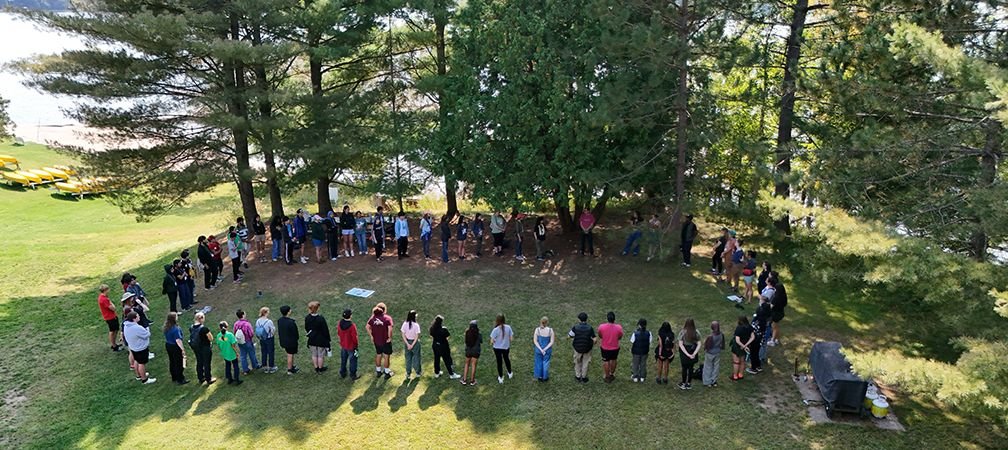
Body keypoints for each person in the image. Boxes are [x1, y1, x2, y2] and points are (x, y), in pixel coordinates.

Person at [123, 311, 156, 384]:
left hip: (133, 347)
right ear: (134, 319)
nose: (139, 317)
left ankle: (138, 375)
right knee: (142, 363)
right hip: (140, 348)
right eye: (138, 316)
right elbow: (147, 335)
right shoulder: (137, 327)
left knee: (136, 361)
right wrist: (147, 328)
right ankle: (144, 379)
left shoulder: (126, 325)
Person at [366, 302, 394, 378]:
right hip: (385, 341)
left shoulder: (373, 318)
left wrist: (371, 336)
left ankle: (378, 371)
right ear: (384, 310)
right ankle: (387, 372)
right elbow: (390, 328)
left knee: (378, 354)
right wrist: (389, 337)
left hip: (376, 341)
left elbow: (367, 326)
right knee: (386, 356)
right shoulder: (387, 318)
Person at [429, 315, 461, 379]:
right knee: (447, 360)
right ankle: (451, 374)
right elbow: (447, 337)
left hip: (435, 346)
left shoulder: (432, 328)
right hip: (443, 347)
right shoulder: (444, 329)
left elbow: (431, 336)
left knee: (436, 359)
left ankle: (437, 373)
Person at [568, 312, 596, 383]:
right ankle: (584, 377)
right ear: (586, 319)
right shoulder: (590, 328)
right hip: (587, 348)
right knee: (585, 363)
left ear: (579, 319)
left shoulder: (575, 327)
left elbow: (569, 336)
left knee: (577, 362)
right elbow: (594, 339)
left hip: (577, 348)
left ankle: (577, 376)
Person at [304, 301, 331, 374]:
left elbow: (306, 328)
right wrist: (328, 340)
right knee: (320, 355)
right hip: (321, 339)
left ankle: (316, 368)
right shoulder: (321, 319)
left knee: (314, 354)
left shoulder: (307, 318)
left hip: (312, 339)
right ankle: (320, 368)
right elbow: (325, 330)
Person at [189, 311, 215, 385]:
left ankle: (200, 377)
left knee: (199, 362)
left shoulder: (191, 327)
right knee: (206, 363)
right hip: (205, 348)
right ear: (201, 318)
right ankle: (208, 378)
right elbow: (211, 338)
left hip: (196, 348)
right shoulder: (204, 329)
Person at [597, 311, 623, 383]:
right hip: (615, 347)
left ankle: (607, 376)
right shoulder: (619, 327)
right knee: (614, 360)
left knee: (606, 361)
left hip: (604, 347)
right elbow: (620, 336)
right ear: (614, 319)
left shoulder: (601, 327)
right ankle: (612, 374)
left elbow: (600, 335)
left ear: (607, 318)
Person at [163, 312, 189, 384]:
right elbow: (178, 340)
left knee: (172, 361)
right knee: (178, 363)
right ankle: (180, 379)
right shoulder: (175, 329)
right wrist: (182, 349)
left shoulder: (166, 327)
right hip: (175, 346)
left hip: (168, 345)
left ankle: (174, 376)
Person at [233, 309, 260, 375]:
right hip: (247, 341)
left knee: (243, 355)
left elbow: (234, 332)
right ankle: (255, 365)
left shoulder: (236, 324)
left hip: (240, 342)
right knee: (251, 354)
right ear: (243, 315)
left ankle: (245, 369)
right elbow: (251, 333)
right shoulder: (247, 324)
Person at [490, 314, 514, 384]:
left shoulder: (495, 330)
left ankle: (500, 377)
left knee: (499, 362)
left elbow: (492, 341)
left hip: (497, 348)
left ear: (497, 321)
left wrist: (494, 341)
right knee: (506, 359)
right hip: (506, 347)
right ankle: (510, 373)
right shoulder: (508, 327)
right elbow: (511, 338)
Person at [750, 295, 771, 375]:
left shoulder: (758, 322)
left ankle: (753, 368)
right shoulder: (766, 319)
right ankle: (758, 366)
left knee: (754, 353)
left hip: (756, 338)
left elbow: (752, 328)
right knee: (758, 351)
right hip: (762, 337)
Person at [677, 318, 701, 390]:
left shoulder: (683, 332)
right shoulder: (696, 332)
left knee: (684, 368)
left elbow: (681, 344)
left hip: (685, 352)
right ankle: (689, 384)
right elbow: (699, 344)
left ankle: (684, 383)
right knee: (691, 368)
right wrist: (694, 353)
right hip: (692, 350)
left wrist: (687, 354)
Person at [216, 321, 242, 385]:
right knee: (235, 366)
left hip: (225, 353)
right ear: (227, 327)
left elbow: (218, 345)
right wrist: (236, 352)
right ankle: (237, 379)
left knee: (227, 366)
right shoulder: (230, 335)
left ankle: (229, 379)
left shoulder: (218, 336)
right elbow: (233, 345)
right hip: (232, 353)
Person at [337, 308, 360, 380]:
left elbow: (338, 333)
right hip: (351, 346)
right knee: (353, 360)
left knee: (343, 360)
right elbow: (354, 337)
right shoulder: (352, 326)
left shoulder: (340, 323)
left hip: (343, 345)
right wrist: (356, 345)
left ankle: (343, 373)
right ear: (350, 316)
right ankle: (353, 375)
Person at [97, 285, 122, 351]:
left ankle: (114, 343)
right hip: (110, 317)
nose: (109, 291)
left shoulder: (101, 297)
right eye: (108, 289)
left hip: (110, 317)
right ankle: (114, 345)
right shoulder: (104, 299)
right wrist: (111, 303)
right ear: (105, 290)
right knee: (112, 331)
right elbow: (113, 308)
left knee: (115, 330)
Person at [277, 305, 300, 375]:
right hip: (291, 342)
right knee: (290, 355)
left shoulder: (280, 321)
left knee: (290, 354)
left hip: (284, 341)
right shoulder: (291, 322)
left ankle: (291, 367)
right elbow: (295, 333)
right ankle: (290, 370)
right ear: (288, 312)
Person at [731, 316, 754, 382]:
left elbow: (737, 340)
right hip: (746, 345)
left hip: (737, 347)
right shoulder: (750, 327)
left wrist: (743, 346)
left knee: (736, 362)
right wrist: (746, 345)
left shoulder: (739, 328)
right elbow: (752, 337)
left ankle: (735, 376)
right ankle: (740, 374)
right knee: (742, 361)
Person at [255, 307, 278, 374]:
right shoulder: (269, 321)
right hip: (269, 338)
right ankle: (271, 367)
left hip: (262, 338)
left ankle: (264, 366)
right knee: (271, 352)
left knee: (264, 351)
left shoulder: (258, 321)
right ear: (265, 313)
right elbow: (273, 330)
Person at [401, 310, 422, 380]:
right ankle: (418, 372)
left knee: (408, 359)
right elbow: (416, 336)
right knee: (416, 357)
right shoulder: (416, 325)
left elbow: (403, 334)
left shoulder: (404, 324)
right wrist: (412, 344)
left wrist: (407, 344)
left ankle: (408, 373)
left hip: (407, 342)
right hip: (415, 343)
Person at [702, 321, 724, 387]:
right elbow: (722, 343)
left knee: (708, 367)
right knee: (716, 367)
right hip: (717, 352)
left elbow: (707, 346)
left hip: (710, 353)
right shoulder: (721, 334)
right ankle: (714, 381)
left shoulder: (710, 337)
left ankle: (707, 382)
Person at [532, 317, 555, 382]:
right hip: (547, 350)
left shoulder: (537, 330)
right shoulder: (550, 330)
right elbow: (551, 342)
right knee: (546, 363)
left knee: (538, 362)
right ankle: (545, 377)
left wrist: (541, 349)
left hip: (538, 350)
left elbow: (535, 341)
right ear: (547, 322)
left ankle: (539, 376)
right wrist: (545, 349)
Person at [629, 318, 651, 383]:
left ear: (639, 325)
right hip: (645, 351)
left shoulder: (635, 333)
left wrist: (631, 349)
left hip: (636, 352)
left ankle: (635, 376)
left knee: (635, 363)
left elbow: (632, 341)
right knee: (643, 364)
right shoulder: (649, 333)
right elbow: (649, 341)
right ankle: (642, 377)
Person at [462, 320, 481, 386]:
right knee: (473, 365)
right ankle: (472, 381)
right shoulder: (478, 334)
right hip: (476, 351)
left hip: (468, 350)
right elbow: (481, 341)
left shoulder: (467, 333)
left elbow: (465, 341)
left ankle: (464, 380)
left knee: (467, 364)